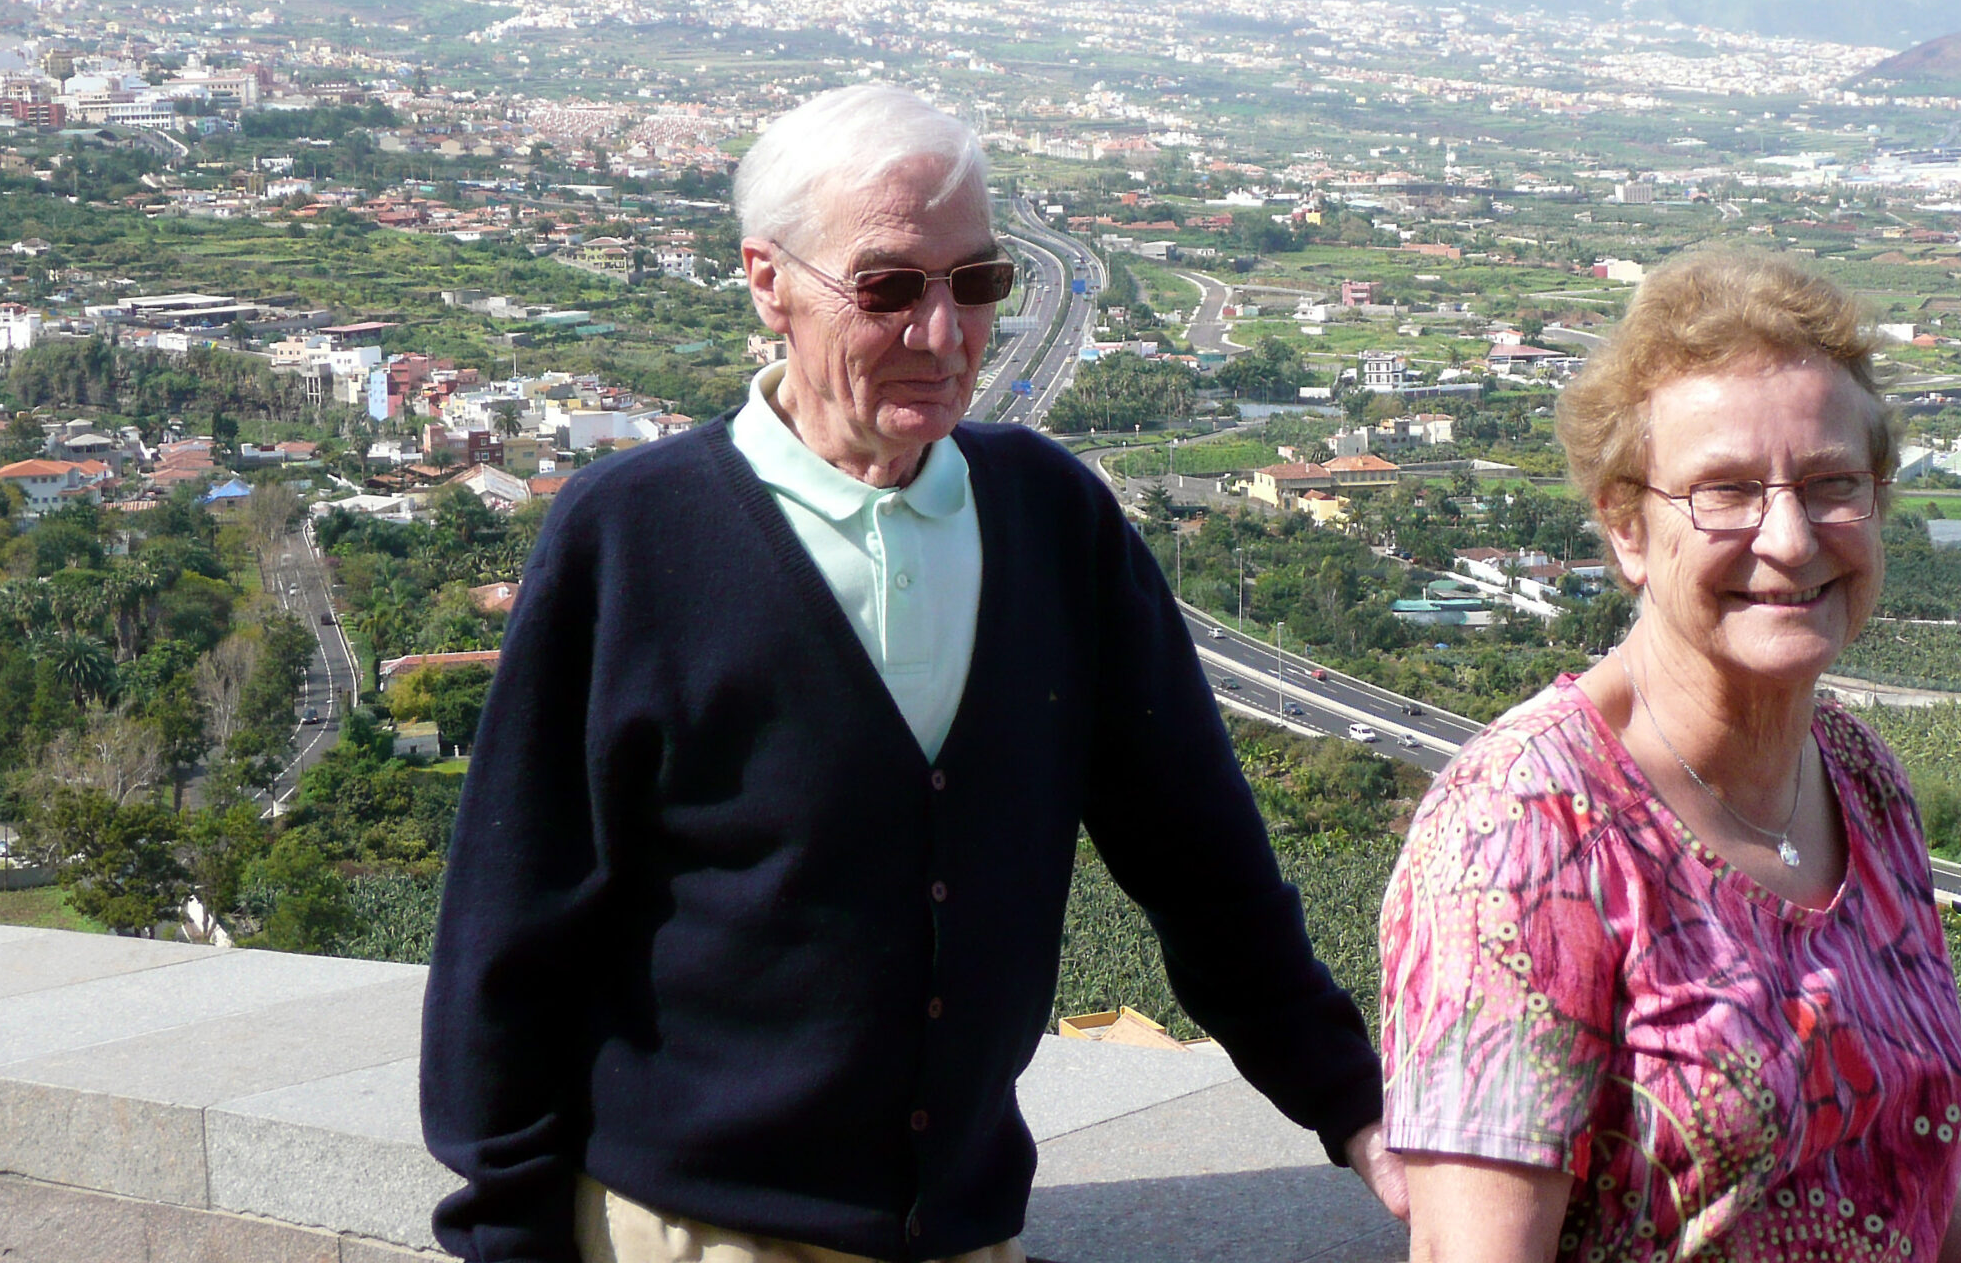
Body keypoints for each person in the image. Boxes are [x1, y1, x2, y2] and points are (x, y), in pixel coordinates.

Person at [421, 83, 1403, 1263]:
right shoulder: (634, 534)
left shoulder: (1053, 523)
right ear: (768, 280)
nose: (943, 335)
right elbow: (515, 911)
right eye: (888, 287)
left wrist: (1355, 1107)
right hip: (689, 1230)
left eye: (975, 282)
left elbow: (1202, 864)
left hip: (962, 1232)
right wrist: (506, 1230)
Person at [1378, 252, 1961, 1263]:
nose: (1790, 538)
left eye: (1831, 484)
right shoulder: (1524, 829)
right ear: (1626, 528)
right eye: (1725, 492)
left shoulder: (1861, 778)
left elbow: (1896, 1153)